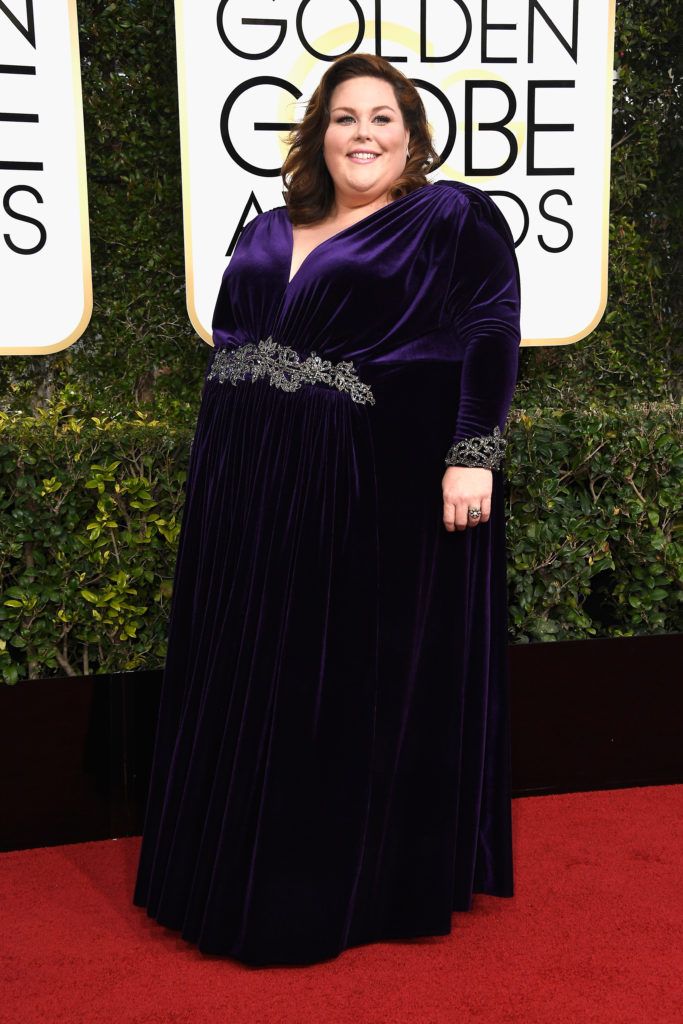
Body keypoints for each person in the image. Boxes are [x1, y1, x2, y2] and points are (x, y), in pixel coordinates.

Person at [133, 52, 521, 967]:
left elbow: (491, 328)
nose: (362, 135)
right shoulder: (272, 227)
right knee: (252, 664)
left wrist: (473, 454)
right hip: (247, 475)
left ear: (413, 136)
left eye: (382, 118)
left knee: (339, 674)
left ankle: (330, 890)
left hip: (372, 482)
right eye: (345, 118)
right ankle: (226, 866)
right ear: (318, 134)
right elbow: (234, 342)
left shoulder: (450, 215)